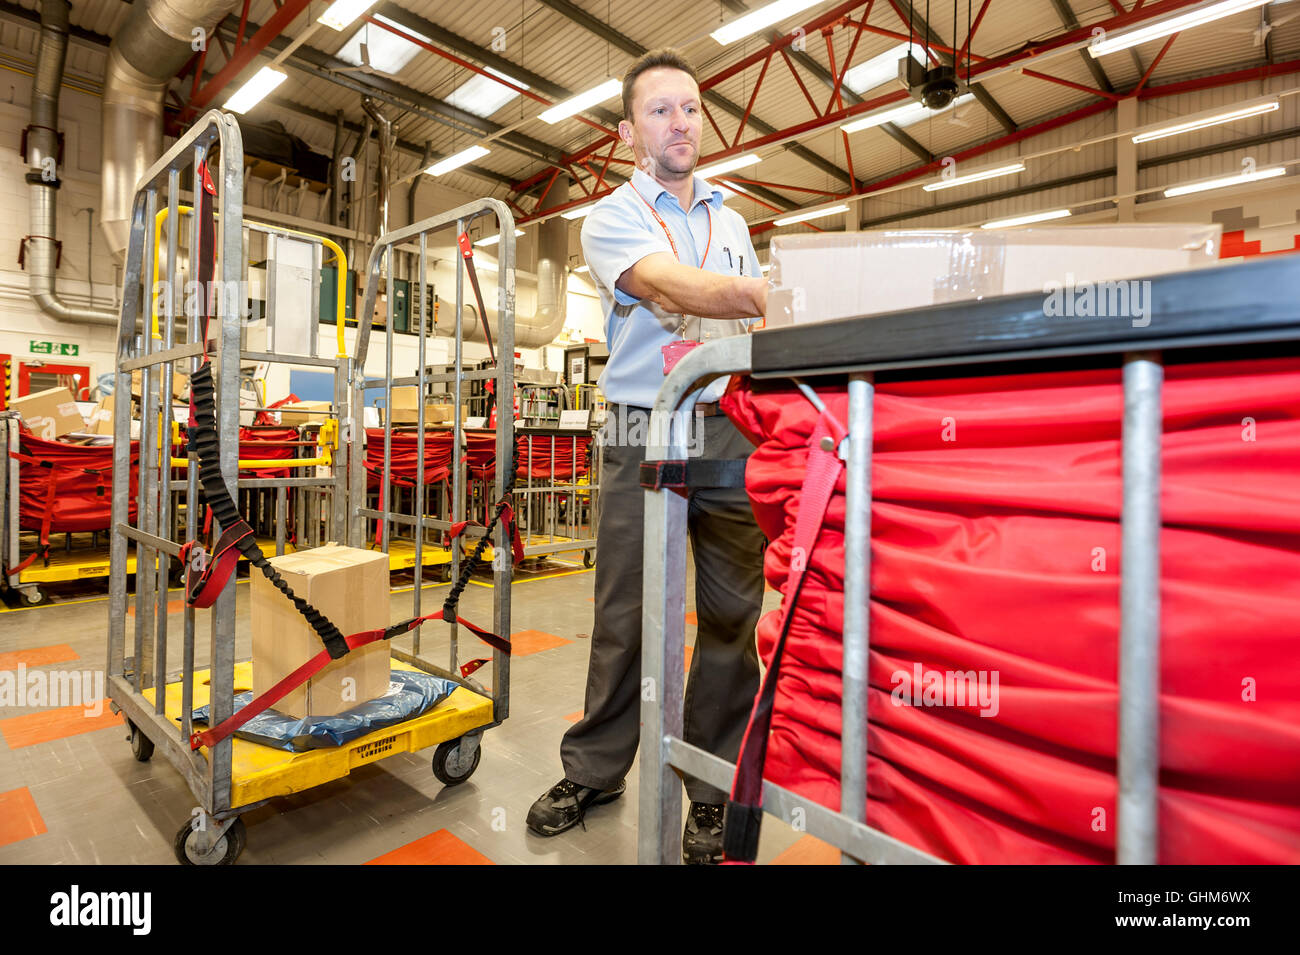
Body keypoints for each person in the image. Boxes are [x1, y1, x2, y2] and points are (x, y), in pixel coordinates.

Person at [525, 48, 768, 864]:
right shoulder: (612, 216)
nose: (681, 123)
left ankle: (710, 780)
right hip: (643, 427)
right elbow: (671, 287)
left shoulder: (733, 222)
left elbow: (745, 329)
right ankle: (596, 767)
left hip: (726, 425)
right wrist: (779, 294)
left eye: (691, 108)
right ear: (631, 132)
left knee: (734, 611)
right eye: (661, 111)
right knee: (626, 607)